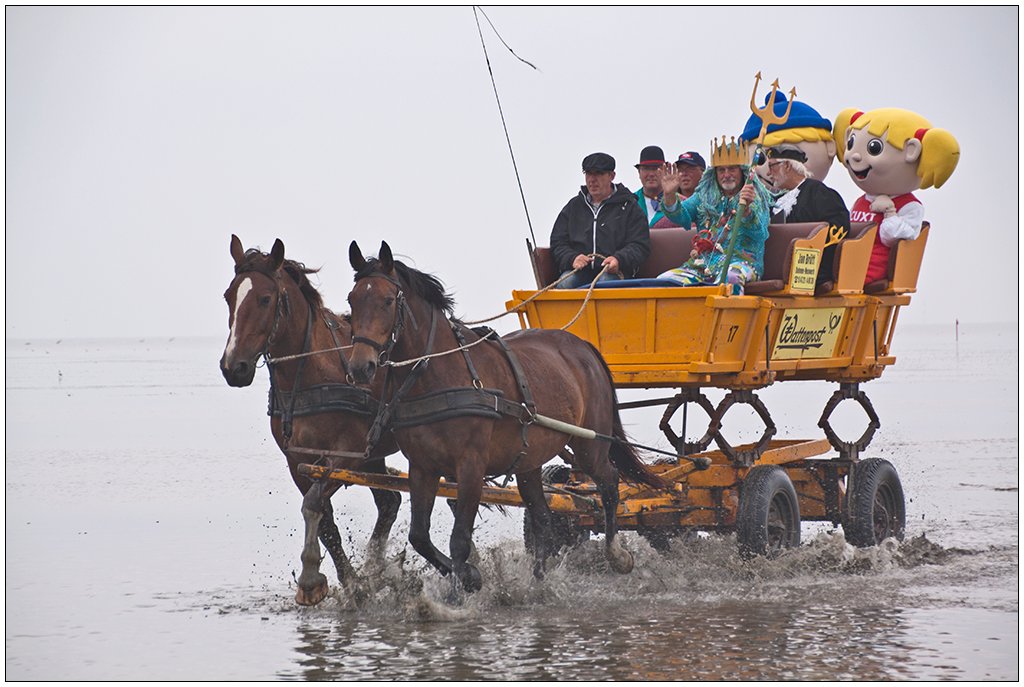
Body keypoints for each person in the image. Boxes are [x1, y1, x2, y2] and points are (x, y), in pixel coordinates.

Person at [832, 107, 959, 284]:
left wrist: (890, 212)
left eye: (874, 148)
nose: (854, 156)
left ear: (912, 151)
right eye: (851, 144)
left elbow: (898, 239)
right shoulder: (861, 201)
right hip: (848, 264)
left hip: (871, 270)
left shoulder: (909, 206)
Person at [656, 138, 772, 293]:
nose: (726, 175)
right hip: (702, 265)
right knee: (664, 280)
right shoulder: (704, 196)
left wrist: (747, 213)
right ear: (715, 173)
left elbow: (760, 234)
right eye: (721, 170)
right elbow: (681, 217)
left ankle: (731, 310)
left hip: (741, 263)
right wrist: (670, 195)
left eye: (732, 169)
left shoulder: (754, 195)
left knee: (731, 278)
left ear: (742, 171)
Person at [550, 152, 650, 289]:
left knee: (606, 283)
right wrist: (572, 258)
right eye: (588, 174)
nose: (592, 179)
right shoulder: (573, 207)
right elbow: (558, 242)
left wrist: (618, 259)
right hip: (580, 272)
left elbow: (640, 245)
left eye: (598, 173)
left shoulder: (629, 207)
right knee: (566, 282)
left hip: (617, 273)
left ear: (612, 176)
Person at [767, 144, 850, 287]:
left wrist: (810, 245)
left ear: (786, 165)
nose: (768, 173)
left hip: (810, 270)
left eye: (771, 166)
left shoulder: (818, 193)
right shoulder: (777, 200)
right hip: (779, 268)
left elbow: (840, 226)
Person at [740, 93, 838, 190]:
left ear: (830, 147)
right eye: (760, 159)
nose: (769, 172)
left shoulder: (820, 194)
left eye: (793, 155)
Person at [633, 145, 680, 228]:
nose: (651, 174)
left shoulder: (682, 202)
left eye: (656, 168)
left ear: (665, 171)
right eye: (646, 168)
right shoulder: (630, 202)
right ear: (639, 173)